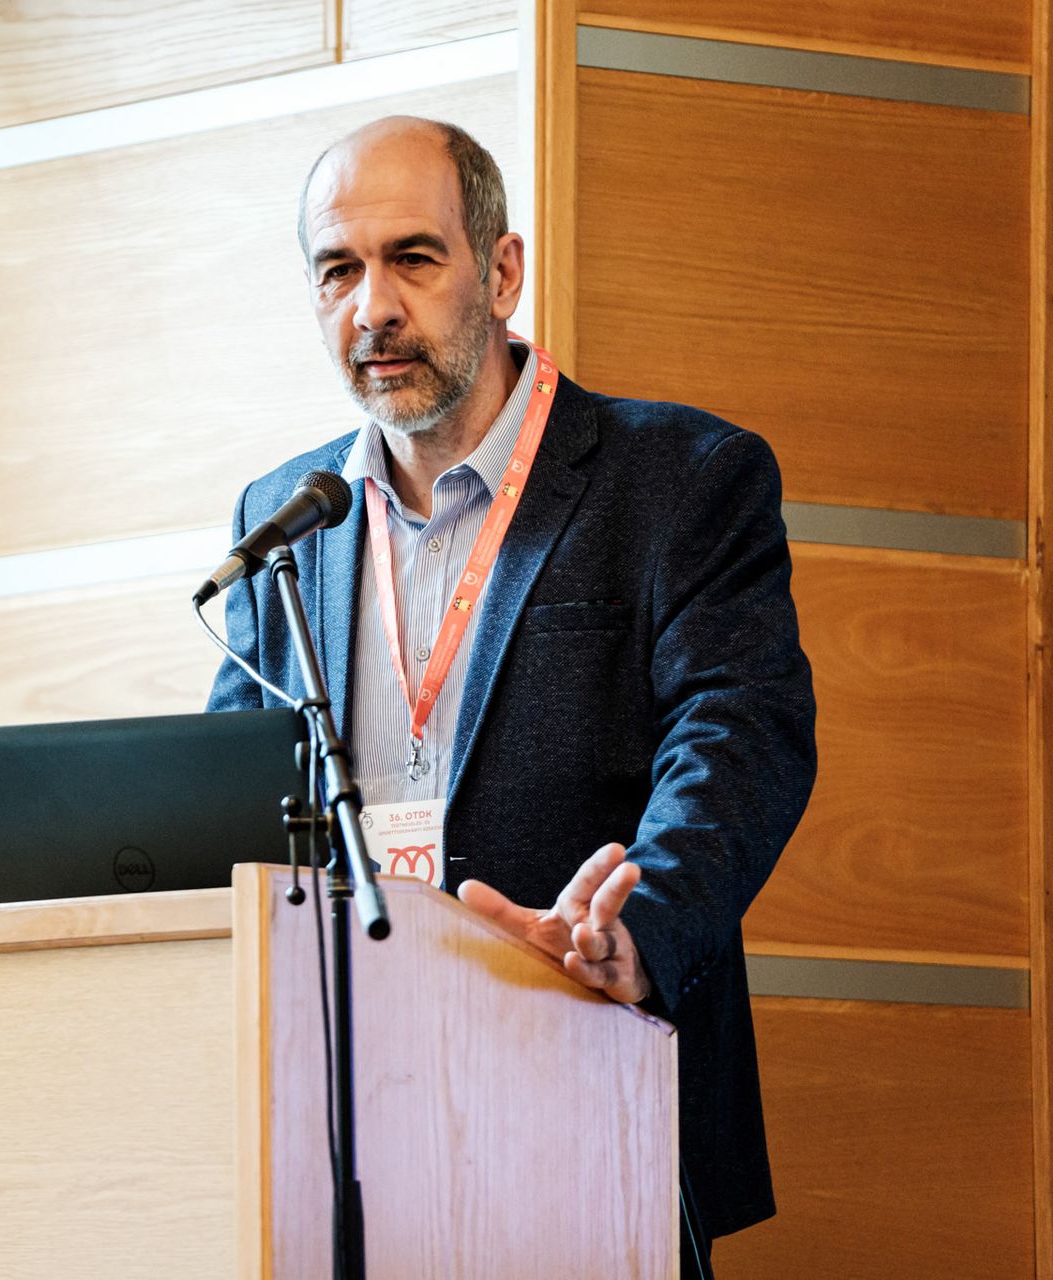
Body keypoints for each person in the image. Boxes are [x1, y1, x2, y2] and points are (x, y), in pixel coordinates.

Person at [205, 116, 817, 1270]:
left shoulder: (678, 479)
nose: (372, 308)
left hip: (589, 1093)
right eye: (338, 270)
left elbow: (742, 735)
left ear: (500, 271)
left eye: (412, 258)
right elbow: (225, 796)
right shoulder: (285, 518)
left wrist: (634, 924)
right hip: (340, 1129)